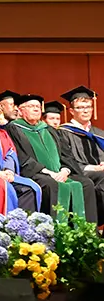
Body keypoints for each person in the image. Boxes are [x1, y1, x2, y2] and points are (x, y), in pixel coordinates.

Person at [5, 94, 94, 222]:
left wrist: (65, 170)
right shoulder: (13, 129)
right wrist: (48, 172)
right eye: (31, 106)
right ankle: (54, 232)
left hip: (59, 172)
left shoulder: (49, 129)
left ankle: (88, 232)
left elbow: (66, 155)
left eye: (37, 106)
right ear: (20, 110)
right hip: (36, 173)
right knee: (51, 184)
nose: (36, 109)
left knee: (86, 183)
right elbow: (20, 156)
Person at [55, 86, 104, 225]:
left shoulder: (99, 133)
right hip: (78, 172)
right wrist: (93, 168)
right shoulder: (64, 132)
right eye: (80, 107)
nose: (86, 110)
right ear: (71, 111)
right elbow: (66, 159)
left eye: (88, 106)